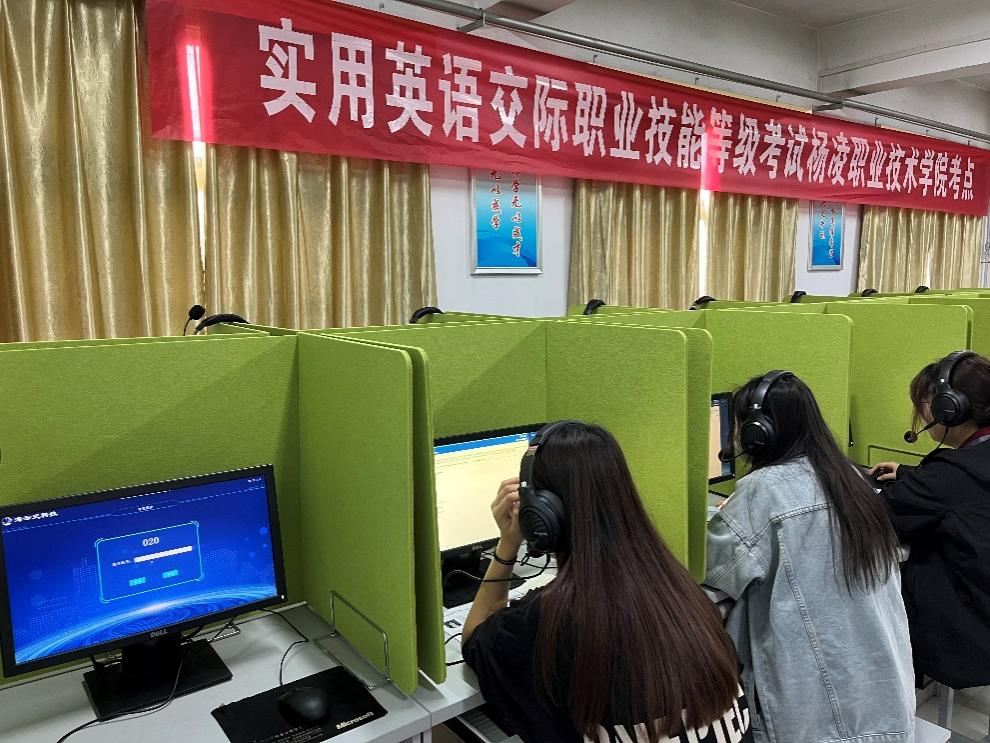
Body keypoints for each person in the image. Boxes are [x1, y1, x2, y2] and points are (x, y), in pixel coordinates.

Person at [461, 421, 753, 743]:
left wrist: (507, 543)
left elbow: (475, 640)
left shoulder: (551, 619)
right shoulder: (678, 588)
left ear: (541, 514)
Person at [706, 372, 914, 743]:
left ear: (758, 433)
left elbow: (711, 568)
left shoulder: (764, 491)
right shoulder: (851, 478)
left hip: (818, 722)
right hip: (885, 706)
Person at [871, 350, 990, 689]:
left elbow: (880, 514)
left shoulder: (952, 476)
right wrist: (911, 475)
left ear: (949, 408)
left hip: (971, 636)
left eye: (925, 403)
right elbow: (959, 493)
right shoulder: (966, 468)